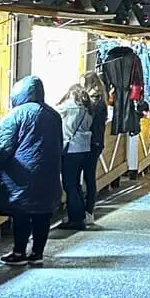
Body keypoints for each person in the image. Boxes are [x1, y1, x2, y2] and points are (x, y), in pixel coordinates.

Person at [0, 75, 63, 266]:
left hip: (21, 176)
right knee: (43, 214)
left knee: (21, 214)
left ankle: (19, 252)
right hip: (49, 174)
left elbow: (3, 148)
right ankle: (37, 253)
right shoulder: (53, 115)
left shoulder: (15, 116)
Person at [58, 84, 93, 229]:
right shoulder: (88, 108)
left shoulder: (68, 107)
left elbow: (54, 113)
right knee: (76, 184)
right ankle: (80, 216)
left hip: (71, 149)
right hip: (85, 148)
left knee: (69, 185)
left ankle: (76, 219)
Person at [82, 73, 108, 224]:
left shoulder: (94, 102)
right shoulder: (101, 99)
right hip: (97, 142)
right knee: (89, 178)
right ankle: (87, 211)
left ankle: (87, 212)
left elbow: (89, 122)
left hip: (91, 143)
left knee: (88, 178)